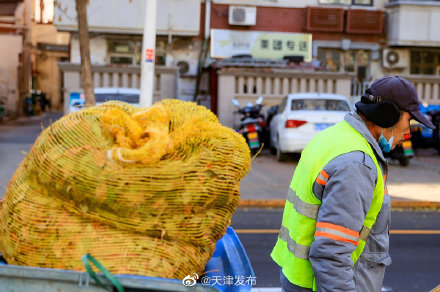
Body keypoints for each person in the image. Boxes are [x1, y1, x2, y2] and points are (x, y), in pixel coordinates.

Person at [271, 76, 436, 292]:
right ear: (387, 115)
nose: (407, 133)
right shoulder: (357, 163)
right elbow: (332, 253)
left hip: (296, 277)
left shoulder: (333, 137)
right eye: (408, 121)